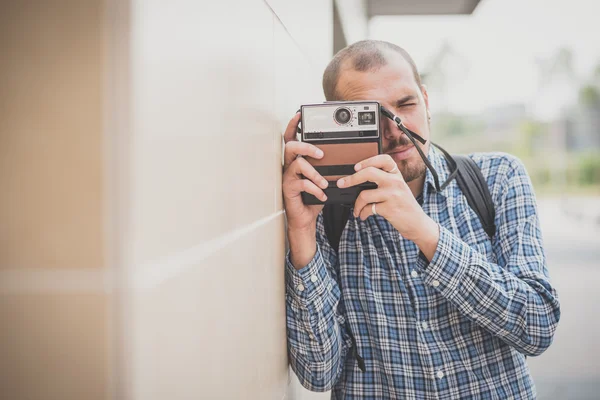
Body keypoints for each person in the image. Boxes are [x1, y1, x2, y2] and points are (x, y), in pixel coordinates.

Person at [281, 40, 560, 399]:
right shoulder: (324, 213)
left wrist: (427, 234)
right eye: (372, 116)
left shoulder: (498, 178)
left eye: (406, 104)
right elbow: (318, 374)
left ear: (426, 101)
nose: (396, 129)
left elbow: (537, 327)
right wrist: (301, 234)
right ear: (341, 125)